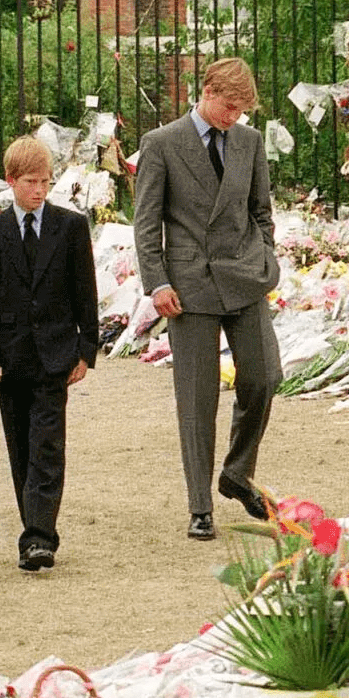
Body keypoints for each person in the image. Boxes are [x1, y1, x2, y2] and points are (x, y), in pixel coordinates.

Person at [132, 59, 281, 540]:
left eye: (242, 111)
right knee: (197, 401)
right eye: (230, 107)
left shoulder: (249, 142)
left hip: (245, 278)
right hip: (188, 287)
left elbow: (262, 210)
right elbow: (146, 222)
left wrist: (268, 259)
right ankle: (200, 505)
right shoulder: (161, 144)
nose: (234, 117)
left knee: (264, 377)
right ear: (208, 91)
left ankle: (236, 474)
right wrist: (156, 284)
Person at [0, 136, 98, 572]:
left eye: (46, 181)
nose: (40, 190)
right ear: (10, 181)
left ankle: (40, 537)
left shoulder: (70, 226)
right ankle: (34, 529)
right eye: (30, 182)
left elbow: (86, 290)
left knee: (47, 446)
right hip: (9, 358)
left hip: (55, 356)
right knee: (20, 448)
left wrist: (87, 348)